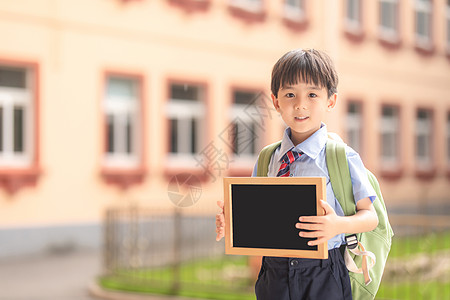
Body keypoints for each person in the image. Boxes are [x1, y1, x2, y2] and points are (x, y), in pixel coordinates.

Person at [215, 48, 379, 300]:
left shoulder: (341, 157)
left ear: (331, 101)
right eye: (290, 94)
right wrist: (233, 221)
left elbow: (370, 217)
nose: (300, 104)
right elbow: (259, 214)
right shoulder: (267, 159)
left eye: (312, 94)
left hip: (324, 272)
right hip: (274, 272)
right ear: (276, 101)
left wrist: (338, 225)